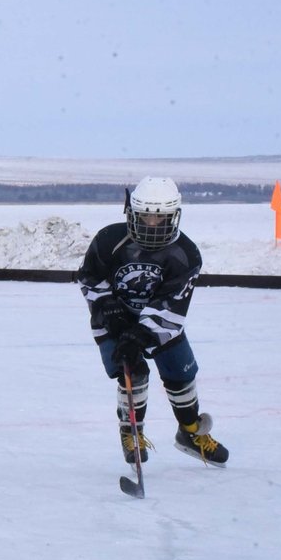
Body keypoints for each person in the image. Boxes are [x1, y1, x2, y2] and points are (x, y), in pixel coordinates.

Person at [78, 176, 230, 467]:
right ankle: (131, 434)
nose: (152, 225)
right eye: (145, 217)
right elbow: (89, 277)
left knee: (181, 372)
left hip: (160, 325)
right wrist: (107, 307)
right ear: (131, 213)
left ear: (174, 217)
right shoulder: (109, 240)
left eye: (160, 218)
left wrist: (141, 334)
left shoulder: (186, 254)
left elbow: (172, 303)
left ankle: (190, 432)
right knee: (132, 372)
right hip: (112, 319)